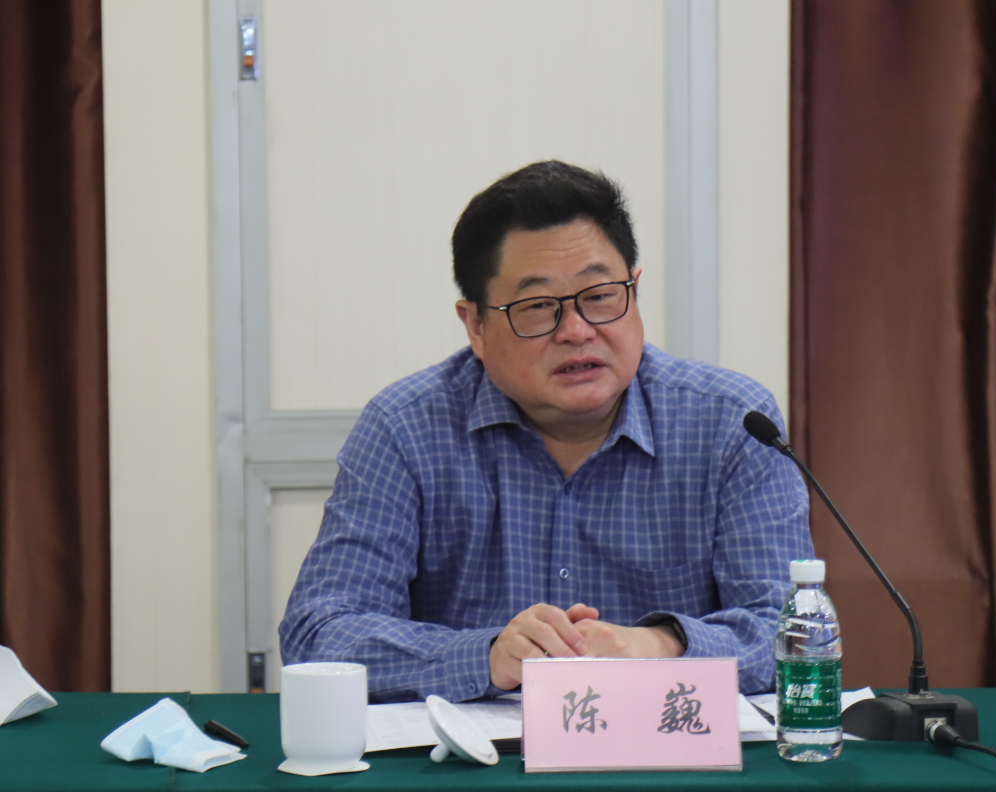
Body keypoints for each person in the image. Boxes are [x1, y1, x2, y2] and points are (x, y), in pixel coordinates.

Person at [279, 160, 814, 702]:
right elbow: (319, 632)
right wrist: (485, 655)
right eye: (537, 307)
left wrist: (661, 644)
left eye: (599, 296)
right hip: (474, 752)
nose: (577, 331)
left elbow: (792, 632)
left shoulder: (731, 424)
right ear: (476, 325)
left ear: (634, 291)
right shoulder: (405, 429)